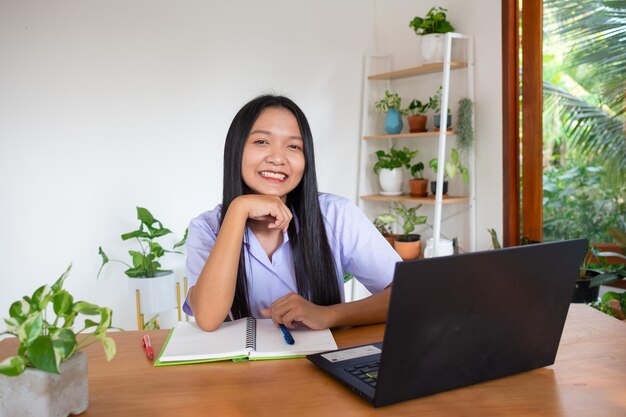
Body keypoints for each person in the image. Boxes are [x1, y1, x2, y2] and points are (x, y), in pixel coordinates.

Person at [184, 94, 401, 332]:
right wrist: (238, 209)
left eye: (294, 146)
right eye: (261, 142)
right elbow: (207, 317)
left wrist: (327, 315)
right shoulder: (206, 228)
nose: (277, 158)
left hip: (322, 363)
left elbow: (404, 295)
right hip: (240, 370)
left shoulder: (335, 214)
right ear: (236, 150)